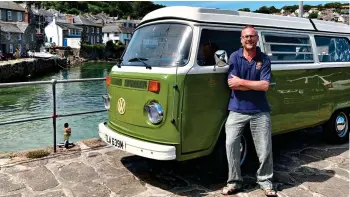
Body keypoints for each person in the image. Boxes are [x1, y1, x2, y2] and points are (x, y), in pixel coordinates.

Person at [221, 25, 277, 197]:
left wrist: (242, 83)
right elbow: (232, 84)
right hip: (237, 109)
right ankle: (234, 182)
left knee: (265, 148)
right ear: (241, 39)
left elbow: (265, 85)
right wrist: (254, 85)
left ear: (257, 39)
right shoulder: (234, 56)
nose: (249, 39)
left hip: (260, 110)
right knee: (231, 145)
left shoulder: (264, 59)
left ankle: (265, 181)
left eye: (252, 36)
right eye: (246, 36)